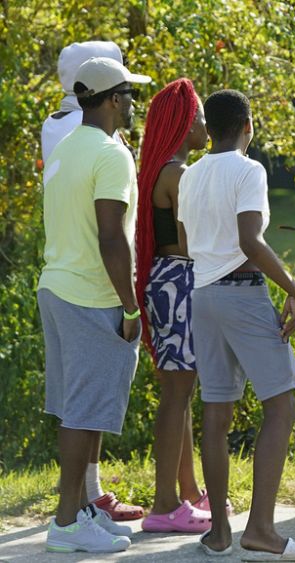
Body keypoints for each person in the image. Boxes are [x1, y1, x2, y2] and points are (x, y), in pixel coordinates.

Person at [178, 89, 295, 561]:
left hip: (201, 297)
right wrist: (292, 287)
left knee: (216, 416)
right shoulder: (249, 169)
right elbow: (250, 240)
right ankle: (261, 529)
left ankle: (219, 533)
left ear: (209, 129)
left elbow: (185, 241)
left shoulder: (190, 174)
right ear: (247, 126)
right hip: (242, 295)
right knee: (280, 405)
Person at [38, 56, 150, 553]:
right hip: (90, 293)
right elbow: (111, 237)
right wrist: (129, 307)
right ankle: (66, 523)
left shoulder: (65, 149)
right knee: (84, 413)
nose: (133, 104)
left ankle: (81, 509)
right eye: (129, 95)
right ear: (111, 100)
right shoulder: (111, 154)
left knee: (78, 408)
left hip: (56, 285)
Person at [135, 78, 224, 534]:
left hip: (163, 280)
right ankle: (165, 504)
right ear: (185, 124)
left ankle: (187, 493)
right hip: (180, 282)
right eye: (202, 118)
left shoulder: (157, 169)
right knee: (177, 394)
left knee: (179, 391)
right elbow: (197, 242)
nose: (207, 127)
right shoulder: (179, 174)